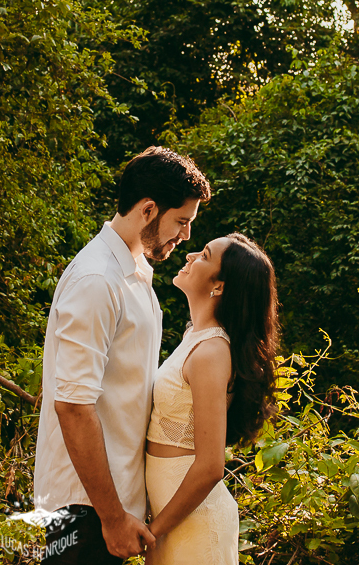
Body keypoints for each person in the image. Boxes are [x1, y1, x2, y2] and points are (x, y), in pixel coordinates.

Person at [34, 146, 211, 563]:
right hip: (83, 511)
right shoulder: (97, 279)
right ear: (149, 209)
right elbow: (73, 406)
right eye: (182, 221)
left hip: (110, 506)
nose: (185, 236)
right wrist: (112, 517)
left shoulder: (133, 274)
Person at [144, 232, 278, 564]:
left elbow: (210, 467)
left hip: (191, 522)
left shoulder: (212, 351)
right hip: (172, 517)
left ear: (219, 286)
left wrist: (155, 531)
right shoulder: (196, 336)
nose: (190, 256)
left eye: (203, 255)